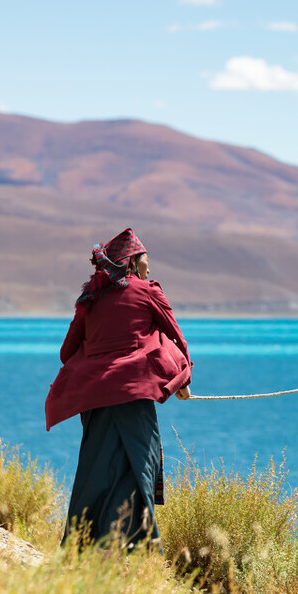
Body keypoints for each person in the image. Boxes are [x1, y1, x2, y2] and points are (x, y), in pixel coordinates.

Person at [44, 228, 192, 550]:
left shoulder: (90, 300)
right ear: (133, 263)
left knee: (96, 470)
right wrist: (181, 379)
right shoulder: (149, 292)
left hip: (95, 400)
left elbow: (66, 352)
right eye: (146, 262)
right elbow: (178, 338)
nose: (150, 269)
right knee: (141, 464)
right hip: (133, 395)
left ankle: (82, 546)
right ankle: (137, 547)